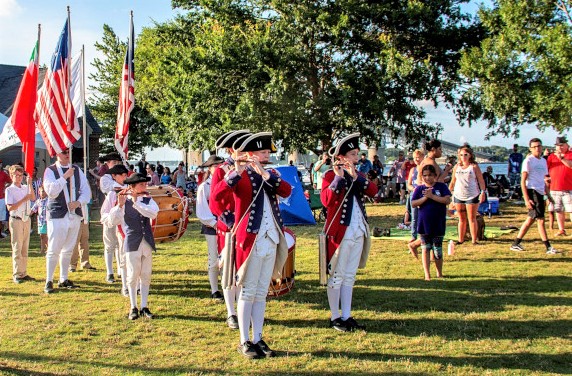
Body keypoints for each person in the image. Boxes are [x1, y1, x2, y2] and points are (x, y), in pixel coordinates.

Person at [213, 131, 292, 359]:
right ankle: (244, 340)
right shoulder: (238, 174)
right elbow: (217, 198)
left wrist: (266, 174)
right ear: (250, 153)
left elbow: (286, 191)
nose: (266, 155)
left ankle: (258, 337)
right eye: (262, 151)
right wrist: (237, 171)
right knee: (247, 291)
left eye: (267, 152)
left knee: (261, 292)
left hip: (271, 238)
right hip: (248, 240)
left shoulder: (271, 174)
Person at [320, 133, 378, 333]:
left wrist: (354, 176)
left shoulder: (358, 176)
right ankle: (335, 316)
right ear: (341, 157)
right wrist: (339, 177)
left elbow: (373, 192)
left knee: (349, 275)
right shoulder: (330, 176)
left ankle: (347, 314)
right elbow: (326, 200)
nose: (356, 158)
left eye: (356, 154)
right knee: (337, 274)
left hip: (358, 229)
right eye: (353, 154)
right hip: (340, 231)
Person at [210, 129, 251, 330]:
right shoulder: (221, 171)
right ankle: (231, 312)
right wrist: (231, 222)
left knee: (245, 270)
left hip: (249, 226)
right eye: (240, 149)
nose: (245, 153)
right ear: (230, 150)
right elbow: (214, 203)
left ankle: (244, 309)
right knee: (229, 270)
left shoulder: (253, 169)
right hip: (229, 227)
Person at [109, 172, 159, 319]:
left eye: (145, 184)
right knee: (132, 276)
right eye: (142, 184)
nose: (145, 186)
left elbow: (153, 214)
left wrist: (137, 202)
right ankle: (133, 307)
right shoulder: (124, 201)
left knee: (145, 275)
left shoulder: (148, 200)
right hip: (131, 242)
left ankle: (144, 306)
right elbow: (113, 220)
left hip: (147, 242)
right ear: (133, 187)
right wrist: (119, 205)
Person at [42, 148, 92, 294]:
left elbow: (86, 191)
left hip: (74, 214)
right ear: (57, 154)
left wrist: (78, 202)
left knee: (69, 248)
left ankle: (63, 278)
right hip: (57, 214)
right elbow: (51, 192)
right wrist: (64, 177)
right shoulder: (50, 170)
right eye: (64, 152)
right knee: (54, 249)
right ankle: (49, 280)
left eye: (68, 152)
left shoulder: (77, 170)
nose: (67, 155)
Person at [510, 138, 560, 255]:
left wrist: (549, 196)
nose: (537, 148)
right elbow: (523, 181)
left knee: (530, 220)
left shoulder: (543, 161)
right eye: (534, 147)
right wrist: (526, 199)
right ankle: (548, 247)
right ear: (530, 149)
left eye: (539, 146)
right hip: (532, 191)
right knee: (541, 220)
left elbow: (543, 181)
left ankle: (516, 243)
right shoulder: (528, 161)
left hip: (540, 192)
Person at [411, 164, 452, 280]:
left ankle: (439, 273)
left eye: (430, 175)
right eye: (425, 175)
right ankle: (427, 274)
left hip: (438, 223)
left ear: (435, 175)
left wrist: (432, 196)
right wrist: (425, 198)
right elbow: (414, 203)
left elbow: (447, 200)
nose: (427, 178)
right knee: (425, 248)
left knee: (437, 249)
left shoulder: (441, 186)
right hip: (424, 224)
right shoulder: (419, 189)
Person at [195, 155, 225, 301]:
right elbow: (202, 211)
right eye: (216, 166)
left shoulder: (227, 182)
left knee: (227, 257)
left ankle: (227, 287)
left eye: (222, 165)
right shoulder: (204, 187)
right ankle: (215, 290)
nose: (220, 168)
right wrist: (215, 224)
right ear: (210, 168)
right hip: (212, 226)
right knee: (213, 258)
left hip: (227, 225)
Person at [100, 164, 130, 296]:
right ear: (114, 176)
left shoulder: (131, 189)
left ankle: (134, 283)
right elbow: (104, 213)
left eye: (125, 175)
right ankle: (114, 276)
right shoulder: (113, 193)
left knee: (130, 256)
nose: (124, 177)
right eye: (122, 175)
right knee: (112, 248)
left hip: (130, 228)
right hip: (116, 225)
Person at [448, 144, 486, 245]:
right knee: (461, 218)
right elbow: (452, 181)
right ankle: (461, 239)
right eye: (461, 155)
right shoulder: (457, 167)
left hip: (472, 194)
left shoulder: (473, 166)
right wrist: (448, 194)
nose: (463, 157)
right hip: (458, 194)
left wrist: (483, 192)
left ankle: (474, 240)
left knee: (471, 218)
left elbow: (481, 180)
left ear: (470, 155)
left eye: (465, 154)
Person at [6, 165, 36, 283]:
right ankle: (17, 273)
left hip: (26, 218)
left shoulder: (25, 187)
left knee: (24, 247)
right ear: (11, 176)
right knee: (17, 246)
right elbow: (10, 207)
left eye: (20, 175)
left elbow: (33, 197)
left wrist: (29, 184)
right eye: (16, 176)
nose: (18, 178)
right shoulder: (10, 189)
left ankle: (23, 272)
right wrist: (24, 199)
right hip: (16, 218)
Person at [546, 136, 572, 236]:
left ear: (566, 145)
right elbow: (546, 169)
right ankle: (561, 229)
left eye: (562, 145)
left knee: (571, 209)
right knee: (558, 209)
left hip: (569, 187)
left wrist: (562, 158)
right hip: (555, 187)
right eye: (558, 146)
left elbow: (570, 165)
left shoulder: (570, 154)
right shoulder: (552, 156)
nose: (560, 148)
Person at [406, 149, 425, 258]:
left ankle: (421, 238)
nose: (416, 160)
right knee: (414, 217)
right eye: (414, 158)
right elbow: (408, 184)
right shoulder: (413, 170)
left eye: (418, 157)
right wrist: (413, 189)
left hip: (423, 194)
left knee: (423, 216)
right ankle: (413, 237)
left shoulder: (425, 169)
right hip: (414, 194)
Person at [69, 200, 96, 272]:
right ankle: (72, 265)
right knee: (74, 242)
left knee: (84, 241)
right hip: (75, 220)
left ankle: (85, 262)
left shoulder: (84, 194)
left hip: (84, 219)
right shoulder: (73, 193)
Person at [31, 185, 48, 254]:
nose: (43, 193)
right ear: (39, 192)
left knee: (48, 236)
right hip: (41, 221)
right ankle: (42, 249)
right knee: (42, 236)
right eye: (42, 191)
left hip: (47, 221)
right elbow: (33, 210)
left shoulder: (49, 200)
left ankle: (49, 249)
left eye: (44, 191)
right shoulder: (38, 201)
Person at [0, 160, 13, 238]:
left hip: (1, 198)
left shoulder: (3, 174)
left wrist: (6, 187)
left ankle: (0, 232)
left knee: (1, 217)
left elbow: (11, 181)